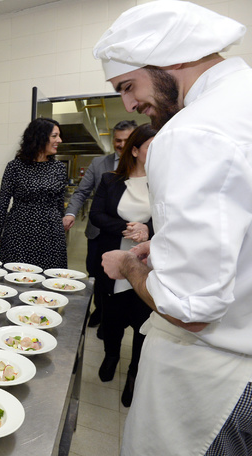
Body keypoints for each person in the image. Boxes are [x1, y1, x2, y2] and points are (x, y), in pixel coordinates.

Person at [93, 1, 252, 454]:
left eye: (128, 86)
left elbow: (190, 308)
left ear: (173, 57)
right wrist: (165, 250)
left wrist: (129, 265)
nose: (129, 104)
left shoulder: (191, 131)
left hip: (216, 383)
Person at [89, 123, 156, 407]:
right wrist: (129, 229)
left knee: (143, 325)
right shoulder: (110, 180)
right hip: (113, 264)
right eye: (153, 146)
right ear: (137, 150)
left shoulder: (165, 184)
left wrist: (149, 231)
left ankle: (133, 373)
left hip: (148, 267)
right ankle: (111, 356)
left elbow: (175, 222)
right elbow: (97, 215)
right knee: (112, 320)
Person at [64, 120, 137, 330]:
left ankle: (116, 316)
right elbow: (82, 192)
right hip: (98, 232)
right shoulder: (99, 164)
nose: (121, 145)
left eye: (126, 140)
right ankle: (100, 309)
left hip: (129, 234)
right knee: (96, 273)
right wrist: (70, 213)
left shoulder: (143, 164)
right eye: (118, 140)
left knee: (125, 276)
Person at [0, 117, 67, 270]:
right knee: (17, 280)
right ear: (39, 137)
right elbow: (2, 203)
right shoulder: (15, 167)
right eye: (54, 136)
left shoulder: (59, 168)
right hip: (19, 234)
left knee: (48, 284)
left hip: (50, 237)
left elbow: (59, 204)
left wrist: (60, 231)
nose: (60, 140)